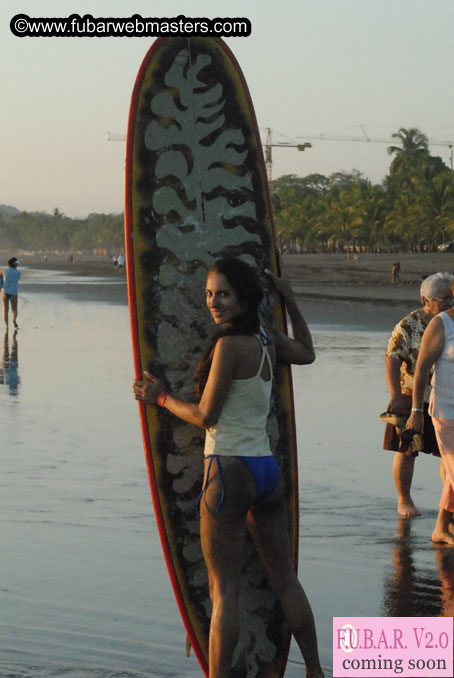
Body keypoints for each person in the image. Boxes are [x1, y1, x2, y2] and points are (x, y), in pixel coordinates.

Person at [133, 257, 324, 678]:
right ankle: (314, 669)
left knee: (225, 590)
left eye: (222, 293)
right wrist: (290, 299)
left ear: (242, 296)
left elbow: (206, 415)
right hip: (266, 472)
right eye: (208, 294)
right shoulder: (266, 339)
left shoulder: (229, 345)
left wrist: (160, 398)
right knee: (284, 580)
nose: (213, 302)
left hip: (228, 470)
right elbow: (308, 353)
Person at [383, 274, 447, 517]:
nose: (451, 302)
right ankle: (404, 500)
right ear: (426, 300)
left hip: (444, 396)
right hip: (411, 396)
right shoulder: (409, 325)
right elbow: (391, 358)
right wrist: (395, 394)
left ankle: (447, 506)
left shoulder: (449, 322)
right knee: (407, 449)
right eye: (445, 298)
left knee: (447, 453)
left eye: (452, 297)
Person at [406, 272, 454, 545]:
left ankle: (440, 528)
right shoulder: (441, 324)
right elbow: (422, 368)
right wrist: (416, 411)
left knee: (451, 475)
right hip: (446, 413)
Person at [1, 257, 21, 329]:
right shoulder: (18, 272)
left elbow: (0, 277)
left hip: (4, 291)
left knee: (5, 309)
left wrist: (1, 286)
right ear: (14, 264)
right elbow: (17, 280)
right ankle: (14, 319)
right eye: (16, 264)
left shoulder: (4, 271)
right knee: (14, 309)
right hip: (14, 292)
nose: (17, 265)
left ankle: (6, 326)